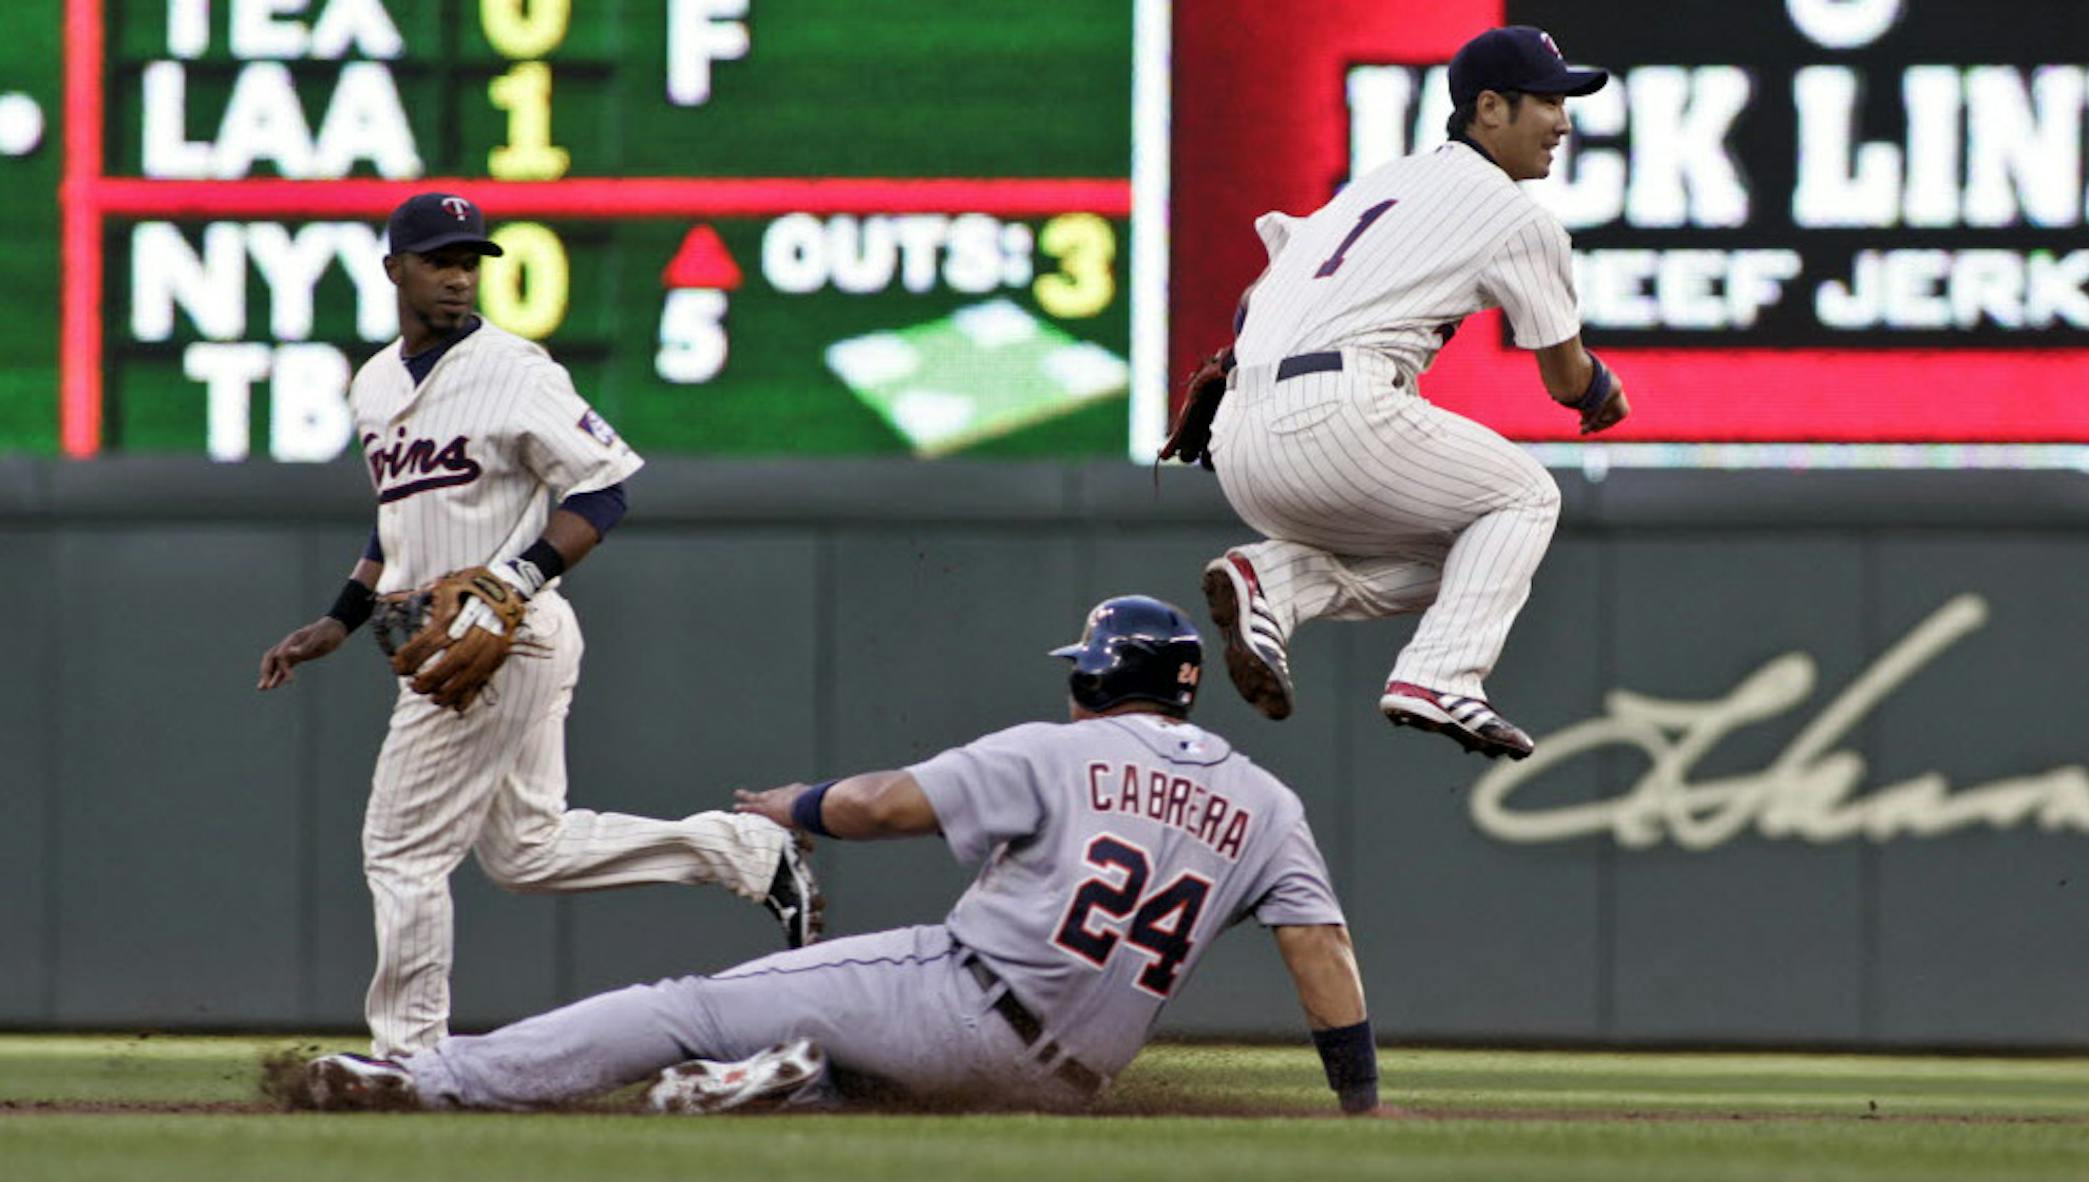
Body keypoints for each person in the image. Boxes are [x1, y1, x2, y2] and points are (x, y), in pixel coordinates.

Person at [300, 596, 1388, 1117]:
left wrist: (796, 807)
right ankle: (782, 1086)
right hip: (1069, 1080)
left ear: (1101, 674)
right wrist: (1358, 1105)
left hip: (962, 1002)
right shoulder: (1267, 801)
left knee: (685, 1002)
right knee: (858, 1087)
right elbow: (1321, 954)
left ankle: (433, 1079)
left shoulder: (1062, 751)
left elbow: (888, 805)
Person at [257, 192, 821, 1059]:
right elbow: (399, 514)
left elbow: (602, 489)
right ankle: (749, 851)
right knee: (527, 850)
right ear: (394, 270)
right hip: (455, 633)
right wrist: (340, 616)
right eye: (439, 259)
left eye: (468, 260)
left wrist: (511, 583)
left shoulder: (515, 367)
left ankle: (409, 1058)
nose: (456, 276)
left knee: (400, 847)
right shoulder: (373, 384)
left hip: (503, 634)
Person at [1197, 25, 1631, 761]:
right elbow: (1566, 379)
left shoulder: (1376, 186)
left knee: (1476, 557)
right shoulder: (1515, 214)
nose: (1562, 122)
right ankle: (1440, 674)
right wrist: (1601, 389)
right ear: (1489, 108)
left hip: (1239, 440)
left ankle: (1276, 578)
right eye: (1548, 102)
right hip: (1339, 416)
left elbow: (1252, 298)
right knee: (1526, 499)